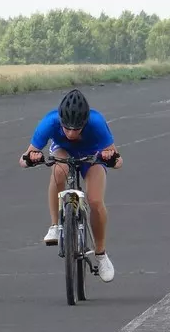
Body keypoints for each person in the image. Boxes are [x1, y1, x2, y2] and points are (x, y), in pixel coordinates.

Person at [19, 89, 122, 282]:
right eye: (67, 128)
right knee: (58, 171)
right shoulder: (49, 122)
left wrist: (110, 158)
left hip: (92, 155)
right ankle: (55, 226)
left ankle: (101, 254)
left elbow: (118, 161)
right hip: (63, 151)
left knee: (95, 201)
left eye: (77, 129)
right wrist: (32, 158)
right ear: (60, 120)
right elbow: (23, 160)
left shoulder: (97, 122)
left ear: (85, 122)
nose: (71, 132)